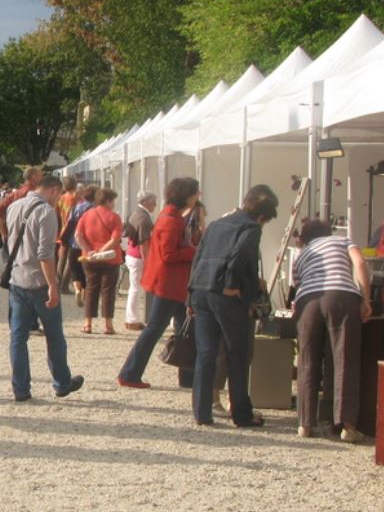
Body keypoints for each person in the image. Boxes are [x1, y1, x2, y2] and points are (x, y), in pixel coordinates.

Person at [187, 184, 279, 428]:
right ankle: (241, 414)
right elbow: (239, 257)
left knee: (206, 353)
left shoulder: (217, 224)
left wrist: (190, 295)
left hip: (200, 289)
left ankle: (202, 412)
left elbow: (198, 258)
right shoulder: (250, 228)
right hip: (224, 295)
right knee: (237, 353)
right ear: (262, 216)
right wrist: (232, 284)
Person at [5, 175, 85, 401]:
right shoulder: (46, 212)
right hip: (39, 281)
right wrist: (53, 285)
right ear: (53, 190)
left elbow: (10, 241)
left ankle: (20, 389)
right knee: (54, 335)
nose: (58, 198)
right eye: (58, 194)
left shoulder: (14, 206)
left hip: (17, 278)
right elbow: (45, 254)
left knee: (18, 337)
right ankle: (61, 382)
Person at [115, 178, 200, 389]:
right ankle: (129, 373)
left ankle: (188, 377)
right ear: (186, 196)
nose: (197, 197)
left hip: (172, 283)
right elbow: (168, 254)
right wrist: (195, 251)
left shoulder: (171, 216)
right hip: (168, 284)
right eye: (195, 193)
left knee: (186, 329)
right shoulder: (171, 220)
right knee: (156, 329)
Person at [292, 219, 371, 442]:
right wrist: (365, 299)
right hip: (341, 296)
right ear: (329, 232)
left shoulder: (301, 254)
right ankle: (347, 425)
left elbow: (298, 284)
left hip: (308, 300)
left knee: (307, 360)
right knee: (345, 357)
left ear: (305, 237)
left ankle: (305, 424)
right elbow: (360, 263)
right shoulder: (342, 240)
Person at [75, 188, 124, 334]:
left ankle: (87, 323)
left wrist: (88, 250)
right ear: (108, 201)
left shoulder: (86, 215)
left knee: (91, 288)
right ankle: (108, 324)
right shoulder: (114, 217)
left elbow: (78, 235)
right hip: (110, 258)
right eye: (113, 201)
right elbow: (115, 240)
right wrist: (101, 251)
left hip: (89, 258)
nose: (114, 204)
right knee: (108, 290)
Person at [123, 192, 157, 330]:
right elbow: (144, 243)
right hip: (138, 256)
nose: (155, 205)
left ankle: (131, 317)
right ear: (146, 202)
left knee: (134, 287)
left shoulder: (134, 214)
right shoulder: (144, 218)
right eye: (153, 202)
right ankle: (132, 319)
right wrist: (148, 261)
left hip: (131, 253)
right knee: (136, 288)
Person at [64, 185, 97, 305]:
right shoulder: (96, 209)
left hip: (74, 242)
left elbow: (69, 222)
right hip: (88, 244)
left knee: (75, 270)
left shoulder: (77, 207)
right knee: (86, 271)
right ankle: (84, 294)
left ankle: (77, 289)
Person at [0, 166, 43, 241]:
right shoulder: (38, 194)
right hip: (32, 237)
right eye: (40, 176)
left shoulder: (13, 195)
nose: (42, 178)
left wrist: (3, 234)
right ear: (34, 176)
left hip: (14, 237)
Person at [56, 178, 79, 292]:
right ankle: (64, 285)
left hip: (63, 229)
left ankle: (58, 281)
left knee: (62, 257)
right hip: (72, 230)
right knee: (71, 258)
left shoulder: (60, 198)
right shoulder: (75, 198)